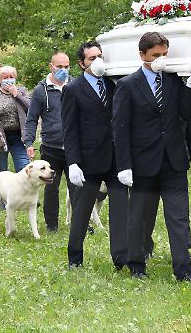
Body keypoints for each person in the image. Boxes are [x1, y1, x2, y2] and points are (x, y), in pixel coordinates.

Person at [112, 32, 191, 283]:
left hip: (173, 161)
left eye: (164, 54)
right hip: (142, 163)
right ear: (142, 55)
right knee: (140, 217)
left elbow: (187, 116)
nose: (161, 59)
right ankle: (137, 265)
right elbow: (120, 128)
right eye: (155, 55)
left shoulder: (174, 81)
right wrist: (124, 165)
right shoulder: (127, 85)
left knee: (179, 217)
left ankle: (184, 270)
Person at [62, 41, 129, 269]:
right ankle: (75, 259)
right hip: (87, 161)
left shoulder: (113, 86)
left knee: (120, 211)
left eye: (100, 56)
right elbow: (69, 129)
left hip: (114, 160)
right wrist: (73, 163)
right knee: (81, 212)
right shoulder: (72, 89)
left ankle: (121, 259)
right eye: (92, 58)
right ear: (82, 64)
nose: (98, 61)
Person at [24, 52, 73, 232]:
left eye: (67, 66)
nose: (63, 70)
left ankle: (80, 221)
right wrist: (29, 142)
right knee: (51, 188)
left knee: (77, 186)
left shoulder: (74, 85)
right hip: (51, 147)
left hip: (73, 145)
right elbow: (31, 119)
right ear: (51, 66)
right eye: (59, 67)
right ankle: (52, 224)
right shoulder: (40, 90)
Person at [0, 65, 30, 175]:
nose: (8, 80)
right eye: (5, 78)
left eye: (11, 77)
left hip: (18, 137)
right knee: (1, 173)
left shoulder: (21, 91)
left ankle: (21, 192)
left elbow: (31, 108)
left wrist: (17, 95)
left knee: (23, 168)